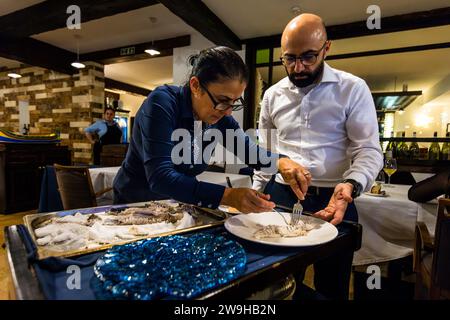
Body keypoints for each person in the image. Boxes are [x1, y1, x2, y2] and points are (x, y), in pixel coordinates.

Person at [253, 14, 383, 299]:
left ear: (327, 48)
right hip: (282, 198)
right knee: (277, 283)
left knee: (332, 287)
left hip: (335, 199)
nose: (298, 68)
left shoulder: (352, 88)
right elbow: (265, 151)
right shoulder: (272, 95)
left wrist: (350, 185)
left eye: (308, 57)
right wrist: (254, 194)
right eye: (289, 59)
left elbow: (369, 150)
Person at [113, 46, 309, 213]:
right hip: (136, 205)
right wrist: (228, 196)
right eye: (222, 101)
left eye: (234, 103)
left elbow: (250, 153)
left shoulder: (221, 118)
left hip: (178, 207)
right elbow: (161, 177)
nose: (228, 112)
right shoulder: (162, 103)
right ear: (196, 86)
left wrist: (282, 163)